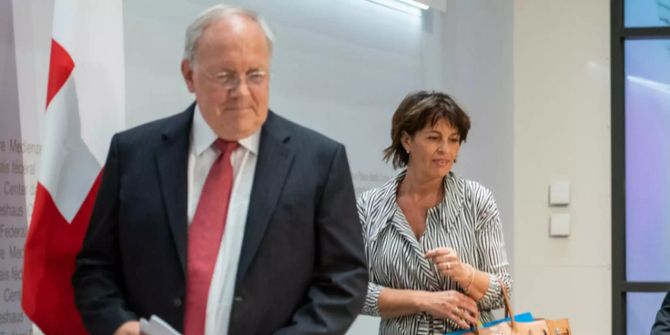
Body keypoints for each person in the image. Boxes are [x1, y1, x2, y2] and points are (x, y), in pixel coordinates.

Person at [72, 5, 368, 335]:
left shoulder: (319, 162)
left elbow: (344, 280)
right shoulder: (133, 154)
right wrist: (117, 323)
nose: (241, 92)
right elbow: (95, 268)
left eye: (255, 75)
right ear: (189, 75)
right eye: (225, 76)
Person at [357, 91, 512, 334]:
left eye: (454, 139)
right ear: (407, 141)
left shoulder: (477, 200)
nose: (445, 149)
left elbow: (503, 291)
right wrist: (424, 301)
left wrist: (465, 273)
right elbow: (354, 291)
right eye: (434, 137)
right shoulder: (370, 206)